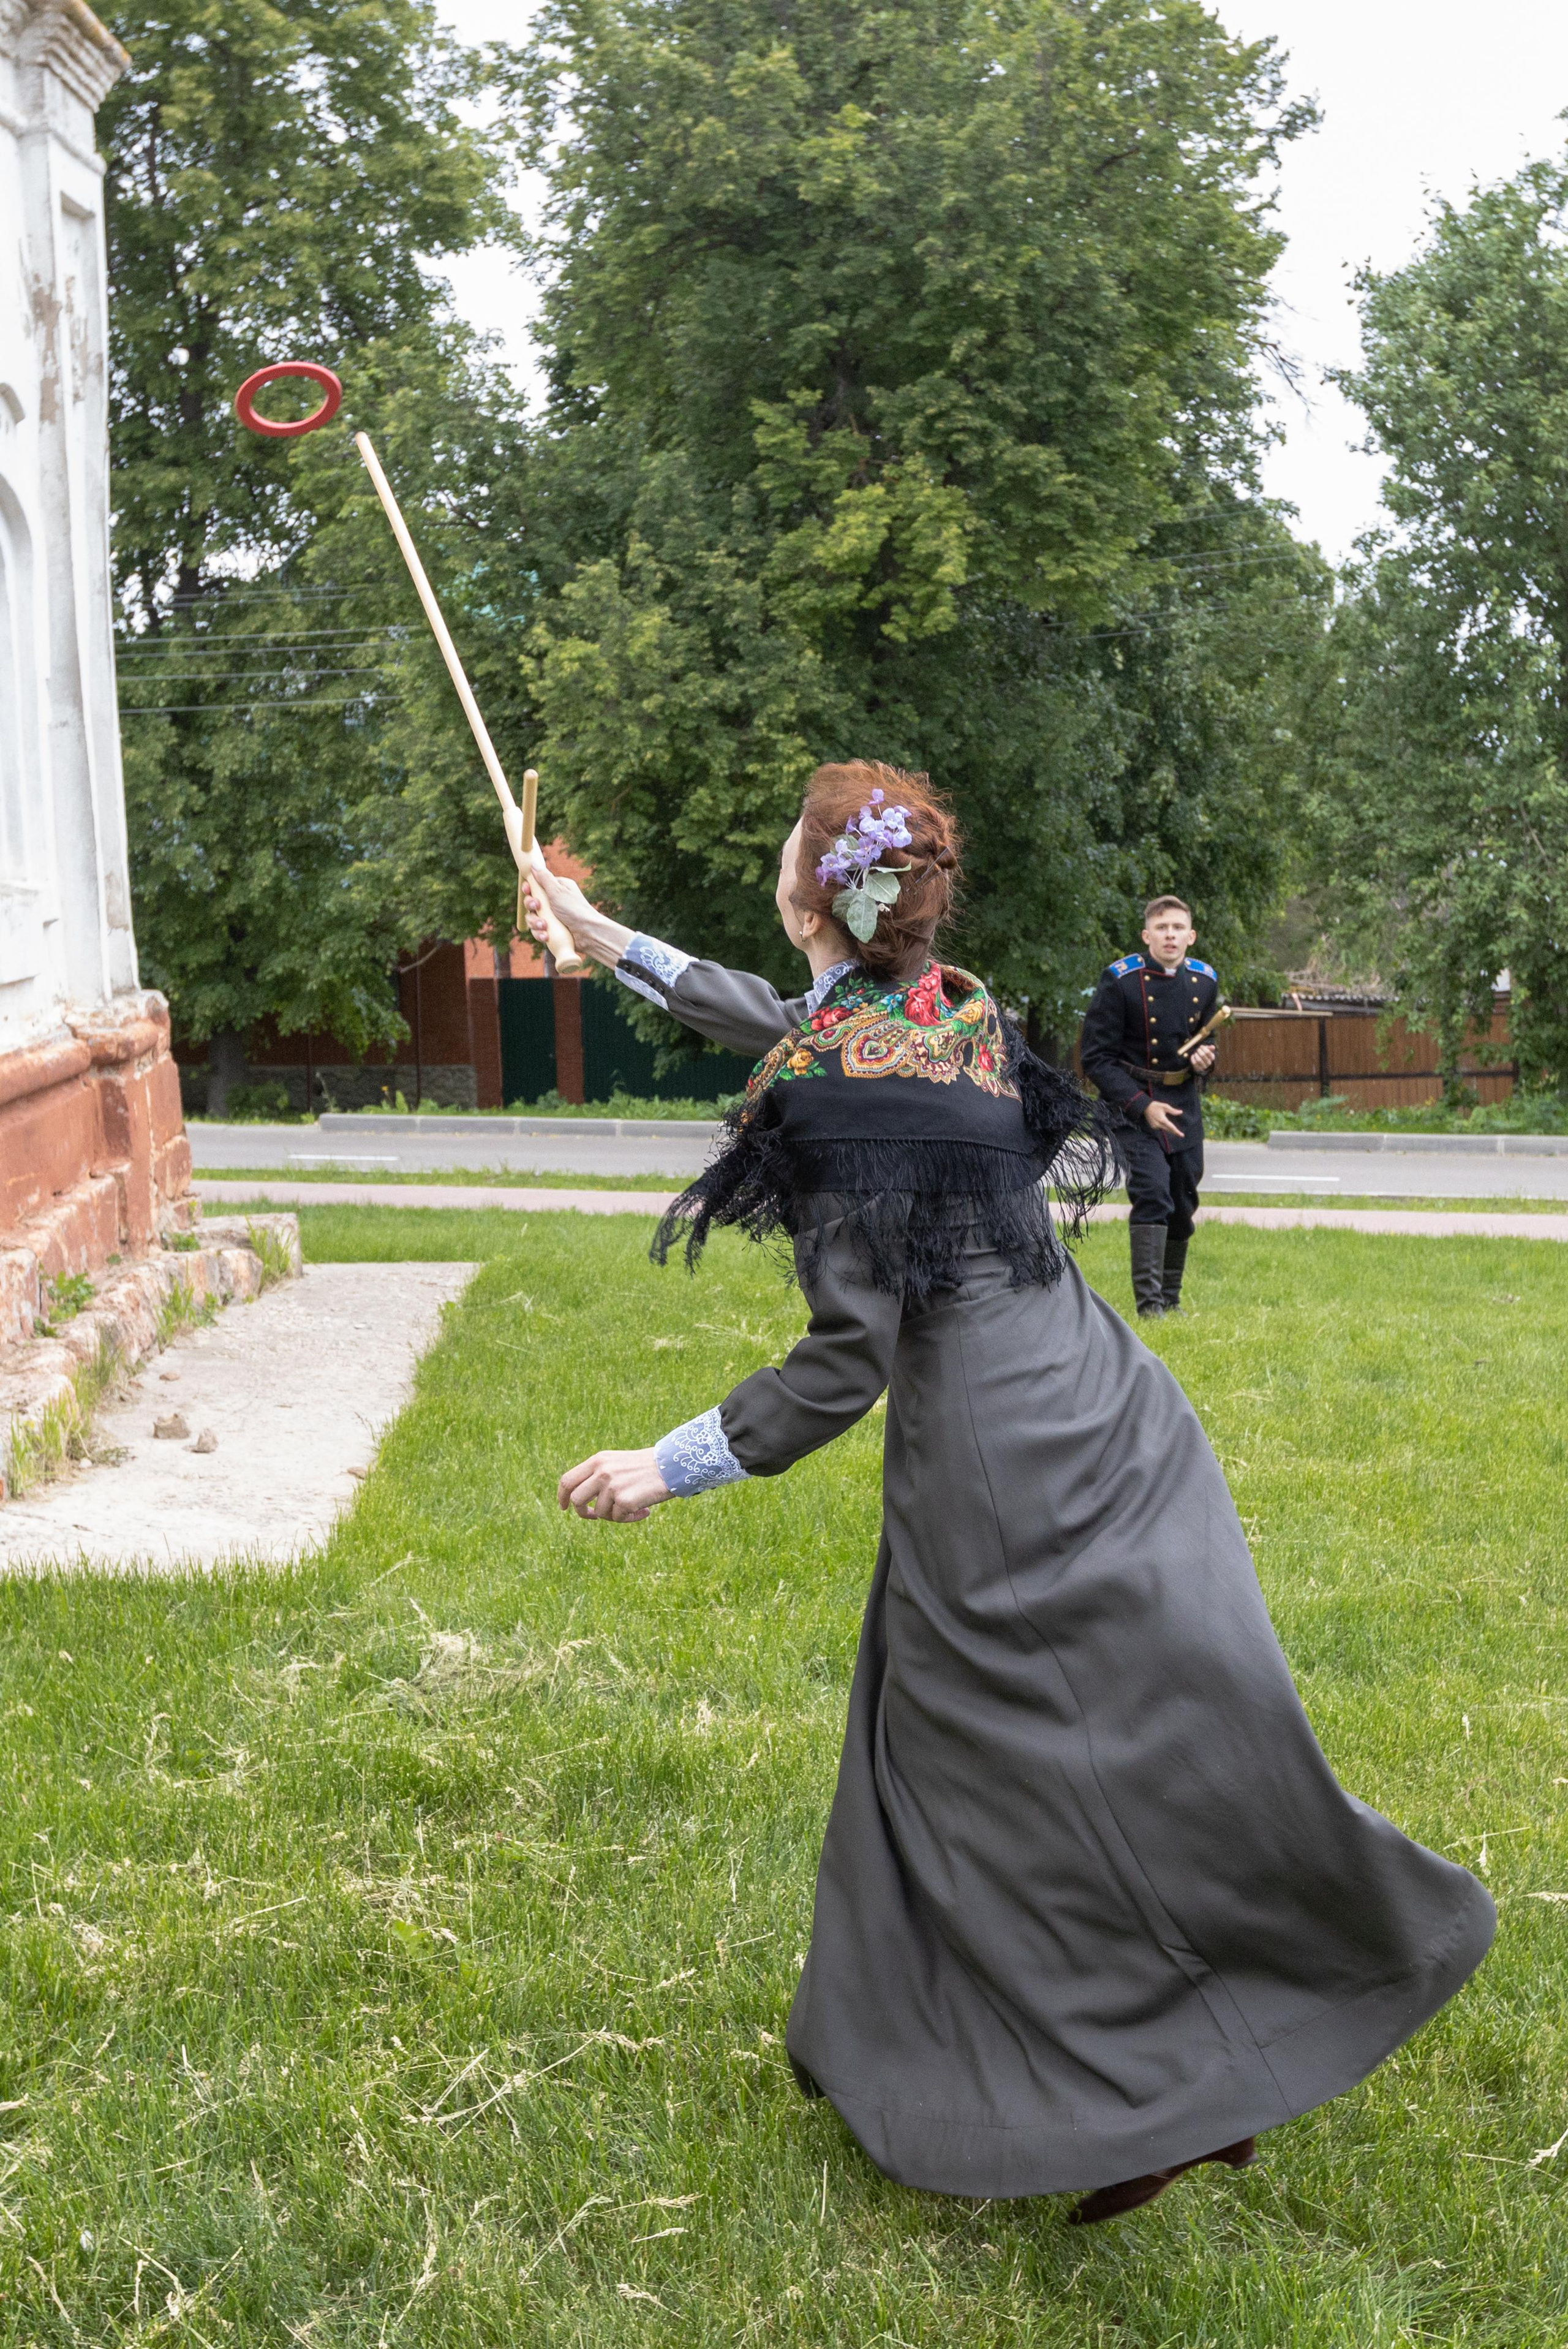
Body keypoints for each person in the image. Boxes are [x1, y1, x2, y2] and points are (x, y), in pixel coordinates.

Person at [521, 762, 1493, 2226]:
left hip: (993, 1466)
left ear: (808, 895)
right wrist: (595, 930)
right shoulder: (949, 1013)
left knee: (980, 1788)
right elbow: (783, 1020)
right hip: (1110, 1408)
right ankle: (1171, 2063)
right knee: (1110, 1747)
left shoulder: (833, 1081)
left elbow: (845, 1358)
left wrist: (667, 1462)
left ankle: (1137, 2081)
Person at [1079, 897, 1219, 1318]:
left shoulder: (1204, 981)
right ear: (1147, 936)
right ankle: (1150, 1307)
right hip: (1133, 1104)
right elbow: (1096, 1058)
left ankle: (1172, 1302)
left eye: (1179, 928)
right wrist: (1143, 1107)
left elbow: (1208, 1040)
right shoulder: (1120, 980)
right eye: (1162, 928)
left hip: (1183, 1103)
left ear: (1191, 936)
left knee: (1183, 1197)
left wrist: (1205, 1060)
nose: (1171, 935)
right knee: (1153, 1193)